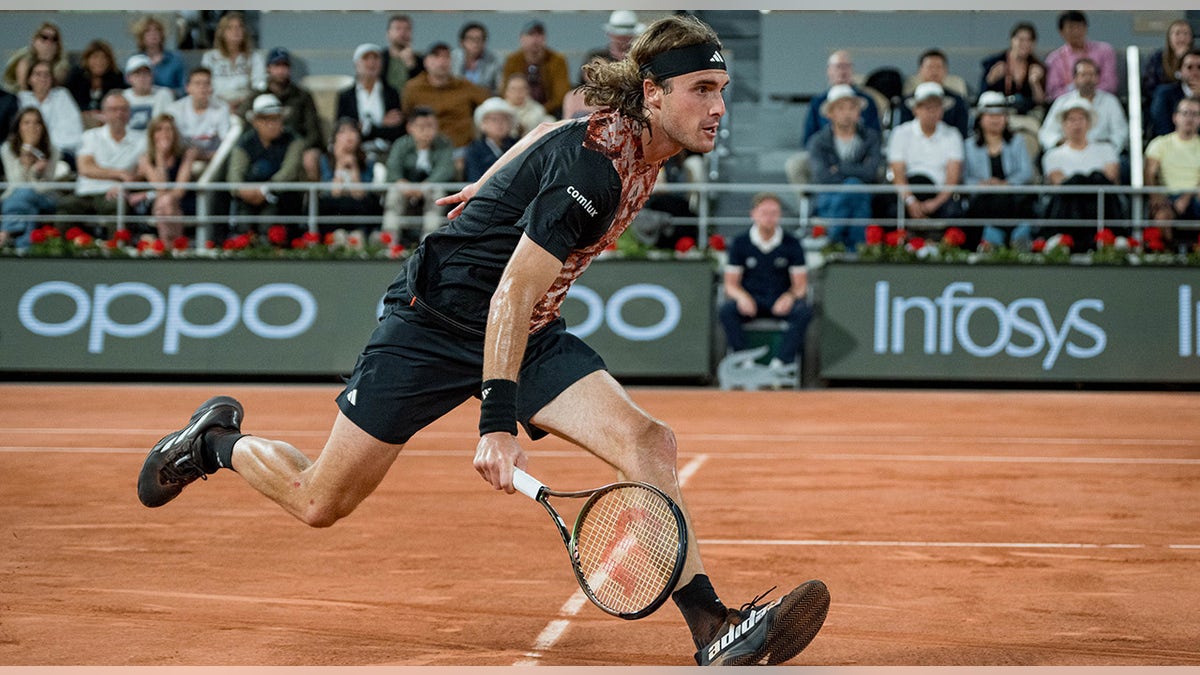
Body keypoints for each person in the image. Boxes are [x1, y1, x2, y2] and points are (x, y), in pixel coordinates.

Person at [136, 15, 829, 668]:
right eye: (702, 90)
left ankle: (711, 626)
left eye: (722, 91)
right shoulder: (592, 173)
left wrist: (495, 179)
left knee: (650, 441)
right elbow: (510, 292)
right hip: (433, 325)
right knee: (319, 499)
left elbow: (549, 135)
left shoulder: (641, 141)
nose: (717, 107)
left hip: (527, 332)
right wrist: (497, 425)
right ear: (652, 94)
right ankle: (211, 443)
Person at [719, 192, 813, 378]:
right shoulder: (740, 243)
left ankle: (780, 365)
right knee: (726, 310)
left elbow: (801, 285)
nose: (769, 218)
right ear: (753, 214)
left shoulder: (792, 244)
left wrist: (789, 297)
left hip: (779, 301)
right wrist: (742, 297)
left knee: (804, 311)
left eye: (774, 213)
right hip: (751, 302)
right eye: (764, 212)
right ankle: (744, 362)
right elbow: (730, 284)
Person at [55, 91, 147, 237]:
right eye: (113, 109)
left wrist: (125, 184)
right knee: (65, 206)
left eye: (123, 109)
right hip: (86, 192)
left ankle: (117, 253)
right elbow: (85, 168)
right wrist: (120, 174)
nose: (119, 114)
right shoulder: (91, 136)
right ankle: (57, 252)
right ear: (104, 113)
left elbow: (142, 173)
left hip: (116, 194)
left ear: (129, 112)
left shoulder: (142, 139)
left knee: (118, 207)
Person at [1040, 97, 1123, 249]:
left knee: (1097, 181)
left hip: (1100, 206)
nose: (1076, 124)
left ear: (1089, 123)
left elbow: (1110, 177)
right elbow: (1059, 182)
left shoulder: (1106, 149)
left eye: (1081, 119)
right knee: (1075, 186)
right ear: (1063, 125)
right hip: (1069, 210)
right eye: (1071, 120)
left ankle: (1108, 237)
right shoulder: (1053, 155)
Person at [805, 84, 881, 248]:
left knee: (855, 190)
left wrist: (838, 168)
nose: (846, 113)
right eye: (840, 108)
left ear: (858, 112)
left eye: (851, 108)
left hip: (863, 196)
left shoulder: (871, 137)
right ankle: (857, 250)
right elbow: (822, 177)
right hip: (828, 198)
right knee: (855, 190)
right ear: (830, 113)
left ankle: (834, 239)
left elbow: (871, 173)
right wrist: (856, 172)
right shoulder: (817, 141)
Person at [962, 91, 1036, 249]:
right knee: (987, 202)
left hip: (1011, 195)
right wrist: (982, 184)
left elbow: (1026, 172)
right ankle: (1006, 238)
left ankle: (997, 239)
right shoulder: (968, 146)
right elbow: (964, 178)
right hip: (983, 198)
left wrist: (1005, 184)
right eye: (990, 115)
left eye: (1000, 115)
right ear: (980, 119)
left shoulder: (1017, 141)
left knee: (1014, 201)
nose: (996, 119)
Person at [226, 93, 305, 239]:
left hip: (281, 197)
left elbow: (288, 172)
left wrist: (265, 190)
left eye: (276, 119)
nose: (272, 124)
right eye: (266, 120)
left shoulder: (294, 141)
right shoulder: (244, 143)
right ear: (255, 122)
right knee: (243, 224)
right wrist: (242, 190)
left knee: (268, 223)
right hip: (248, 197)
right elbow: (234, 175)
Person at [888, 81, 964, 221]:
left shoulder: (953, 135)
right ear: (915, 109)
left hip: (940, 196)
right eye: (926, 107)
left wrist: (936, 202)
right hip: (907, 194)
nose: (931, 112)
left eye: (936, 107)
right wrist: (910, 201)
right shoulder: (900, 133)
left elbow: (953, 176)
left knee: (955, 212)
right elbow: (897, 173)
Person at [245, 47, 324, 181]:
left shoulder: (302, 96)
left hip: (296, 147)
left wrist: (297, 148)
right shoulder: (257, 96)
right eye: (277, 65)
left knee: (310, 159)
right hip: (264, 146)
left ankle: (312, 201)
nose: (281, 71)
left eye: (285, 66)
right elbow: (247, 125)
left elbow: (314, 132)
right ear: (268, 68)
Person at [402, 41, 491, 158]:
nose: (442, 61)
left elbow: (490, 105)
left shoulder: (465, 86)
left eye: (446, 57)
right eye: (436, 56)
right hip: (426, 149)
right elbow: (406, 115)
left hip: (461, 149)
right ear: (426, 61)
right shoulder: (412, 88)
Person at [381, 105, 456, 240]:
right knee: (393, 193)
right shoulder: (401, 144)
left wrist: (424, 186)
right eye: (421, 127)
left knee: (437, 192)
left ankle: (428, 240)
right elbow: (392, 170)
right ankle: (389, 242)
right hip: (406, 188)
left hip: (430, 188)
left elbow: (445, 170)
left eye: (431, 126)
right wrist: (403, 185)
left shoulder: (444, 144)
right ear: (410, 127)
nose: (426, 131)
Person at [0, 107, 62, 250]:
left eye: (36, 123)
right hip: (17, 197)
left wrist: (34, 172)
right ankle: (24, 247)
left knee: (25, 194)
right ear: (19, 127)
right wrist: (26, 154)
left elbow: (45, 186)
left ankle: (7, 232)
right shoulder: (7, 149)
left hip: (45, 197)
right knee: (27, 204)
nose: (32, 127)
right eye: (26, 123)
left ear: (42, 127)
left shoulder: (53, 150)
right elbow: (15, 183)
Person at [129, 113, 198, 241]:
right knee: (164, 202)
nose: (165, 134)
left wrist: (148, 194)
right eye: (159, 129)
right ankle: (175, 248)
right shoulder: (146, 159)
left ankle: (167, 249)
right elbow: (160, 189)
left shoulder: (186, 155)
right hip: (158, 203)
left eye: (169, 129)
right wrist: (160, 157)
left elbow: (179, 191)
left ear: (175, 133)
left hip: (183, 202)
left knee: (166, 202)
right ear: (152, 135)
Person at [1144, 95, 1200, 248]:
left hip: (1195, 196)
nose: (1189, 118)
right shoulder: (1160, 144)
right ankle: (1172, 253)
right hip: (1168, 196)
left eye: (1195, 114)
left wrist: (1186, 197)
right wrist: (1157, 197)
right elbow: (1150, 174)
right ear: (1175, 117)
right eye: (1185, 113)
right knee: (1162, 216)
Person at [1039, 58, 1129, 153]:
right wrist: (1062, 144)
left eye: (1091, 75)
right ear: (1075, 79)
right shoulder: (1062, 101)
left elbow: (1120, 133)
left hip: (1101, 154)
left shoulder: (1110, 101)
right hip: (1068, 154)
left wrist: (1104, 149)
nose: (1088, 79)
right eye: (1083, 75)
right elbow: (1047, 133)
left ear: (1098, 78)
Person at [337, 43, 404, 161]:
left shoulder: (392, 93)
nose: (372, 63)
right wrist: (381, 124)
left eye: (376, 58)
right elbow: (343, 129)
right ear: (356, 64)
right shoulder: (346, 96)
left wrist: (365, 127)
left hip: (387, 152)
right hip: (356, 153)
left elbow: (396, 131)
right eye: (366, 58)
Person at [801, 49, 882, 146]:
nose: (843, 71)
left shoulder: (867, 101)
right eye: (838, 67)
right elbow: (809, 138)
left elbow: (876, 134)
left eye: (847, 66)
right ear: (829, 71)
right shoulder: (818, 102)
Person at [316, 117, 382, 235]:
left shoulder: (368, 160)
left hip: (358, 207)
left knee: (368, 203)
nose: (349, 136)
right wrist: (339, 165)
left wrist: (354, 168)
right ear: (335, 138)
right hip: (335, 209)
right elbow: (334, 193)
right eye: (343, 132)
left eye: (353, 131)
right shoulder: (326, 159)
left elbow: (360, 194)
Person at [500, 20, 571, 119]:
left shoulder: (557, 61)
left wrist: (538, 111)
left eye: (539, 35)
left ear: (544, 39)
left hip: (548, 112)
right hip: (517, 110)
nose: (535, 39)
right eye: (530, 35)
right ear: (521, 38)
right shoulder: (512, 60)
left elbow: (561, 95)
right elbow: (505, 91)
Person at [17, 60, 84, 163]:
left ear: (52, 79)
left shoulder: (62, 95)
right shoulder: (21, 98)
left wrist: (46, 150)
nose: (43, 78)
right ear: (29, 79)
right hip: (26, 152)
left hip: (60, 153)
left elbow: (74, 131)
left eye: (46, 74)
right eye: (38, 74)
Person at [1044, 10, 1118, 101]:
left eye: (1079, 27)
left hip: (1100, 101)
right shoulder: (1054, 59)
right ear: (1061, 32)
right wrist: (1077, 95)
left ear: (1086, 28)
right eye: (1071, 28)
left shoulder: (1104, 51)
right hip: (1068, 105)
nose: (1076, 31)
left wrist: (1088, 94)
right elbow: (1053, 92)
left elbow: (1110, 84)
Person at [201, 11, 266, 113]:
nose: (236, 31)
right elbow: (205, 86)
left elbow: (259, 86)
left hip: (246, 106)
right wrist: (224, 105)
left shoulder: (254, 57)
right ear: (222, 33)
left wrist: (242, 102)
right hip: (216, 106)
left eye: (239, 27)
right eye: (230, 28)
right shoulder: (210, 57)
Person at [978, 21, 1046, 117]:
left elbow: (1041, 102)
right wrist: (991, 79)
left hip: (1026, 116)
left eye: (1029, 40)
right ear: (1012, 40)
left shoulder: (1037, 66)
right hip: (998, 115)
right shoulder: (995, 62)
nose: (1025, 44)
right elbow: (981, 95)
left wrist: (1035, 83)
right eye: (1021, 39)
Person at [896, 49, 969, 139]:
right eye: (930, 67)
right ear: (920, 71)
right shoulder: (908, 101)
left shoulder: (957, 101)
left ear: (945, 71)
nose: (934, 71)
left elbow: (961, 134)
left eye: (938, 67)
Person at [169, 67, 232, 162]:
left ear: (211, 88)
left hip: (213, 159)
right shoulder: (174, 109)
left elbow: (226, 142)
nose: (202, 87)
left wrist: (205, 156)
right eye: (197, 83)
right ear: (187, 88)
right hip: (182, 158)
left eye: (206, 83)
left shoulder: (222, 108)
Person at [64, 39, 126, 130]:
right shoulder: (76, 76)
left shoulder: (117, 78)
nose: (99, 62)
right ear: (87, 59)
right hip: (78, 121)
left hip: (107, 123)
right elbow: (68, 101)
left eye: (103, 58)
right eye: (95, 57)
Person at [1141, 19, 1195, 115]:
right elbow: (1149, 87)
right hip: (1166, 102)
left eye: (1186, 34)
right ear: (1169, 38)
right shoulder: (1157, 58)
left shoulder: (1197, 58)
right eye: (1177, 34)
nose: (1182, 38)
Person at [1148, 49, 1200, 141]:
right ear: (1180, 70)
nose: (1195, 72)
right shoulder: (1164, 93)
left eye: (1199, 67)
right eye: (1189, 67)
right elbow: (1162, 127)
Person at [3, 22, 71, 92]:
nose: (49, 42)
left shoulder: (60, 67)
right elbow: (23, 92)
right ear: (35, 41)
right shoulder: (25, 62)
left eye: (54, 39)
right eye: (44, 37)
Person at [131, 15, 187, 98]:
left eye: (157, 30)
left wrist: (167, 93)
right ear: (141, 37)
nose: (153, 34)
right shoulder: (135, 59)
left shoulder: (175, 59)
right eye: (148, 31)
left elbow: (184, 88)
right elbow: (129, 86)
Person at [463, 96, 518, 182]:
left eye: (504, 119)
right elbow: (474, 178)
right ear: (483, 124)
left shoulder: (519, 145)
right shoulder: (474, 149)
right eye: (494, 120)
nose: (500, 124)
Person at [121, 54, 176, 133]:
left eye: (146, 73)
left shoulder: (164, 94)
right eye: (137, 73)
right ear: (128, 78)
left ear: (152, 75)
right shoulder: (122, 97)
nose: (142, 77)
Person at [450, 20, 502, 95]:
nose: (475, 43)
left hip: (484, 99)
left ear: (484, 42)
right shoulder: (452, 57)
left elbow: (499, 88)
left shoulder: (495, 60)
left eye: (479, 39)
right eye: (471, 39)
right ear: (462, 42)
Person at [381, 13, 424, 96]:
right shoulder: (380, 59)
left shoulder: (420, 60)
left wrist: (412, 66)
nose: (403, 32)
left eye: (407, 29)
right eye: (398, 29)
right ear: (388, 34)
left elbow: (423, 88)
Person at [561, 54, 613, 120]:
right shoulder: (572, 96)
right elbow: (566, 124)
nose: (596, 74)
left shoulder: (617, 96)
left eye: (602, 70)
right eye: (592, 69)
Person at [501, 72, 553, 138]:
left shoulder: (537, 110)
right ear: (506, 92)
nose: (518, 93)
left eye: (522, 89)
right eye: (514, 89)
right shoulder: (499, 110)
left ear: (528, 91)